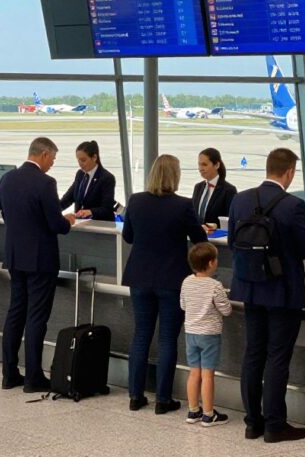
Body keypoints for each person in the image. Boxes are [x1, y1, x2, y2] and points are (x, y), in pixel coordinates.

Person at [228, 148, 305, 443]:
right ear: (290, 172)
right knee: (278, 357)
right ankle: (275, 425)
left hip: (250, 287)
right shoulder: (293, 205)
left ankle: (252, 422)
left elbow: (232, 241)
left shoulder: (240, 199)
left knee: (253, 353)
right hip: (282, 291)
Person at [122, 154, 209, 414]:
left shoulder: (136, 201)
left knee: (141, 335)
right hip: (172, 279)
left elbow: (128, 237)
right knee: (168, 339)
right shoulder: (182, 205)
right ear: (175, 175)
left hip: (139, 277)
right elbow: (200, 239)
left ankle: (135, 396)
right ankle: (163, 399)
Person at [0, 137, 76, 392]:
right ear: (43, 155)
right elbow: (55, 224)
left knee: (15, 312)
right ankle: (33, 377)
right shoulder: (45, 183)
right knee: (36, 317)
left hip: (14, 257)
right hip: (40, 260)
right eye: (52, 159)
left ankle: (9, 373)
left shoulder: (7, 179)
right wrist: (68, 221)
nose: (52, 164)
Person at [181, 242, 232, 427]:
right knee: (208, 375)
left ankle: (193, 410)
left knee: (194, 373)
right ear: (211, 263)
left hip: (190, 332)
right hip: (209, 335)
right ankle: (209, 414)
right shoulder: (215, 286)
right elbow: (226, 310)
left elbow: (183, 305)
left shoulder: (186, 281)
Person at [59, 140, 116, 221]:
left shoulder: (107, 178)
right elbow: (68, 198)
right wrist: (53, 210)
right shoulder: (80, 174)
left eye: (83, 160)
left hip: (101, 226)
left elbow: (107, 209)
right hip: (81, 224)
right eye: (78, 160)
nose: (80, 164)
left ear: (94, 158)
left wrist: (90, 212)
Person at [192, 147, 238, 227]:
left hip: (217, 238)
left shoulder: (229, 190)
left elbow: (230, 220)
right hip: (197, 238)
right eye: (199, 165)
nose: (200, 169)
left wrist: (212, 227)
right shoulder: (198, 187)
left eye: (204, 165)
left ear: (216, 165)